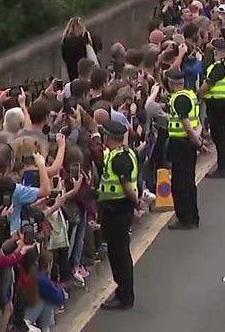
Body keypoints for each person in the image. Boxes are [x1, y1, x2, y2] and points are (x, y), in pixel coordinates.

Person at [98, 120, 139, 309]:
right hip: (113, 210)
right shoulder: (117, 154)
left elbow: (127, 187)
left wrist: (137, 203)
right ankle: (122, 290)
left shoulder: (120, 159)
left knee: (120, 255)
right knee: (117, 254)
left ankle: (124, 296)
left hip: (118, 211)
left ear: (108, 136)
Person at [166, 68, 203, 230]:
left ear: (171, 83)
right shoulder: (191, 95)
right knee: (188, 180)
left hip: (181, 143)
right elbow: (198, 123)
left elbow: (187, 125)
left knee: (180, 183)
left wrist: (198, 143)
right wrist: (197, 138)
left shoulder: (178, 99)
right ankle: (192, 216)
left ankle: (186, 217)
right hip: (188, 142)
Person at [198, 37, 225, 179]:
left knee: (220, 138)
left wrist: (197, 96)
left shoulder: (217, 67)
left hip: (217, 105)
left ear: (215, 51)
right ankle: (224, 167)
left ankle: (223, 168)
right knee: (223, 136)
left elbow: (207, 86)